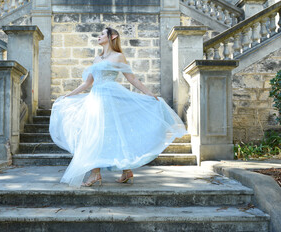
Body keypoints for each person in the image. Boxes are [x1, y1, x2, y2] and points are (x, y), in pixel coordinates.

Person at [49, 27, 187, 188]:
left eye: (102, 34)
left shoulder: (119, 57)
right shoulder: (97, 59)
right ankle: (107, 173)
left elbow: (132, 79)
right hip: (95, 99)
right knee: (93, 133)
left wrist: (150, 94)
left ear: (112, 36)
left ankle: (115, 172)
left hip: (111, 98)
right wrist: (69, 95)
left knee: (113, 134)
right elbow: (87, 83)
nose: (99, 36)